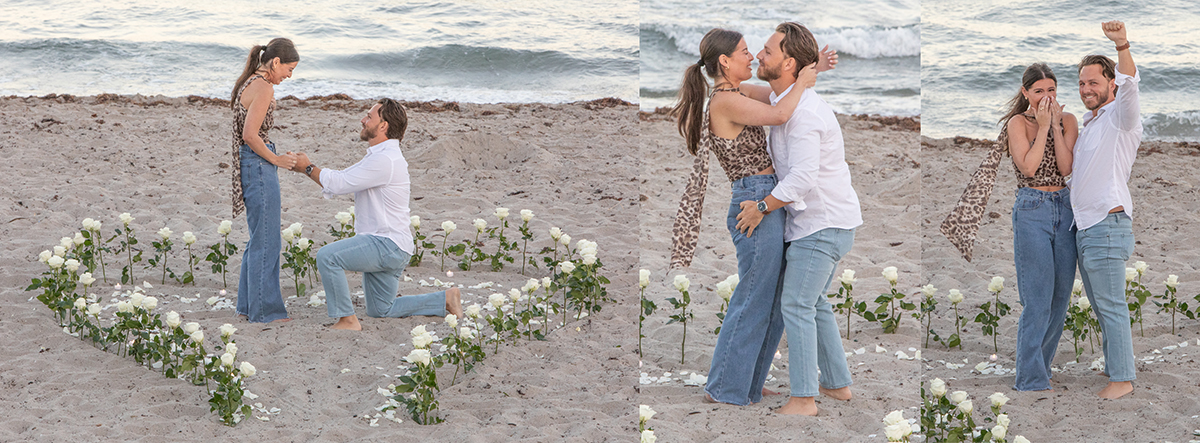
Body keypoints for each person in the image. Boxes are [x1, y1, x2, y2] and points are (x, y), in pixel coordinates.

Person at [668, 27, 834, 406]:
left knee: (772, 296)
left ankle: (750, 382)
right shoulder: (724, 100)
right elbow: (779, 113)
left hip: (767, 197)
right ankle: (725, 388)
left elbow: (781, 93)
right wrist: (807, 77)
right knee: (754, 296)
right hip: (753, 200)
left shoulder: (738, 92)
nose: (753, 57)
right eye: (745, 52)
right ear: (724, 61)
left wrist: (812, 71)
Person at [734, 22, 860, 416]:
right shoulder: (785, 96)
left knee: (797, 304)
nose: (759, 54)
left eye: (768, 51)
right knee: (815, 301)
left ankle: (804, 399)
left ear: (788, 62)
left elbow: (803, 178)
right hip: (828, 221)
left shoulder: (803, 113)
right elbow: (738, 91)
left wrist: (762, 206)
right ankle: (837, 386)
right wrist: (812, 70)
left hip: (822, 225)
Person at [941, 63, 1079, 392]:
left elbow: (1066, 166)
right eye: (1039, 91)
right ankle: (1030, 379)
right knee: (1037, 298)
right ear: (1025, 93)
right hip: (1032, 208)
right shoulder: (1018, 122)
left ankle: (1040, 368)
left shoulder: (1070, 120)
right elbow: (1028, 168)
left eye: (1052, 90)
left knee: (1060, 298)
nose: (1046, 96)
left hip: (1065, 206)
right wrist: (1043, 126)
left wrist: (1057, 127)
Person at [287, 99, 462, 330]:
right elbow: (343, 177)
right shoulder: (381, 156)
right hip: (392, 244)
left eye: (369, 116)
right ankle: (445, 299)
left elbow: (339, 183)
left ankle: (347, 320)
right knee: (381, 309)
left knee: (327, 257)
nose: (363, 119)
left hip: (385, 244)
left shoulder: (384, 160)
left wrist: (308, 168)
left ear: (383, 126)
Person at [1070, 21, 1140, 399]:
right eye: (1082, 84)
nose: (1086, 90)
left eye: (1093, 83)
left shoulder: (1120, 118)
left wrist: (1122, 45)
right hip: (1087, 227)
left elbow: (1131, 88)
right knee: (1101, 305)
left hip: (1108, 225)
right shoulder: (1090, 123)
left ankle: (1124, 380)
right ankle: (1116, 368)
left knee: (1112, 306)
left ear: (1111, 84)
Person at [230, 38, 300, 323]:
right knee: (268, 241)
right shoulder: (263, 87)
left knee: (258, 239)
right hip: (258, 164)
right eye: (289, 69)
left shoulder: (250, 82)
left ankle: (248, 307)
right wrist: (277, 160)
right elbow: (250, 135)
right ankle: (265, 312)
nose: (289, 75)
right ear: (275, 63)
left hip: (251, 163)